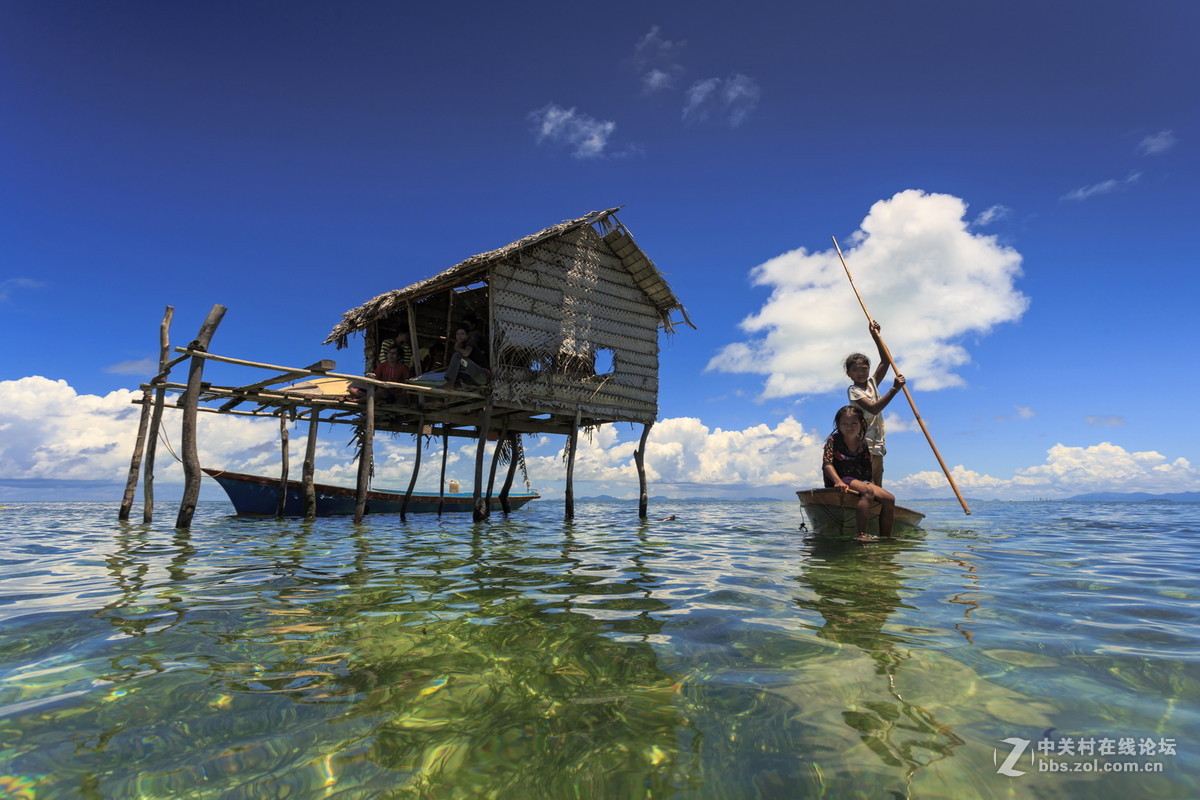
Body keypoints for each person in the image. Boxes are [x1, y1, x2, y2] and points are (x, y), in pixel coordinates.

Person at [822, 404, 898, 541]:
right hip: (841, 478)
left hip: (860, 480)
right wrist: (837, 481)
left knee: (889, 498)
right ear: (838, 425)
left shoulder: (862, 443)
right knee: (867, 492)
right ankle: (861, 534)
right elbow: (827, 464)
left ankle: (886, 537)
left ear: (861, 423)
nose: (849, 427)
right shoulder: (833, 441)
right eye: (844, 424)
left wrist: (873, 486)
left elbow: (867, 469)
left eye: (853, 423)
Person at [845, 321, 906, 486]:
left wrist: (876, 336)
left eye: (864, 369)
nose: (861, 373)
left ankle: (876, 509)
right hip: (862, 443)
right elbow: (873, 408)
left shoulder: (872, 382)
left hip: (877, 443)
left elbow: (886, 361)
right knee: (866, 482)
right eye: (856, 370)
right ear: (849, 373)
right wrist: (894, 389)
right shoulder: (854, 390)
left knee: (877, 483)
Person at [444, 321, 490, 389]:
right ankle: (457, 387)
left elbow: (466, 353)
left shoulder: (470, 341)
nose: (459, 336)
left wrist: (456, 348)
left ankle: (450, 383)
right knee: (455, 371)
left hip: (482, 375)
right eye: (458, 334)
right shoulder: (462, 345)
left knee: (457, 356)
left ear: (467, 335)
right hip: (473, 379)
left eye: (462, 334)